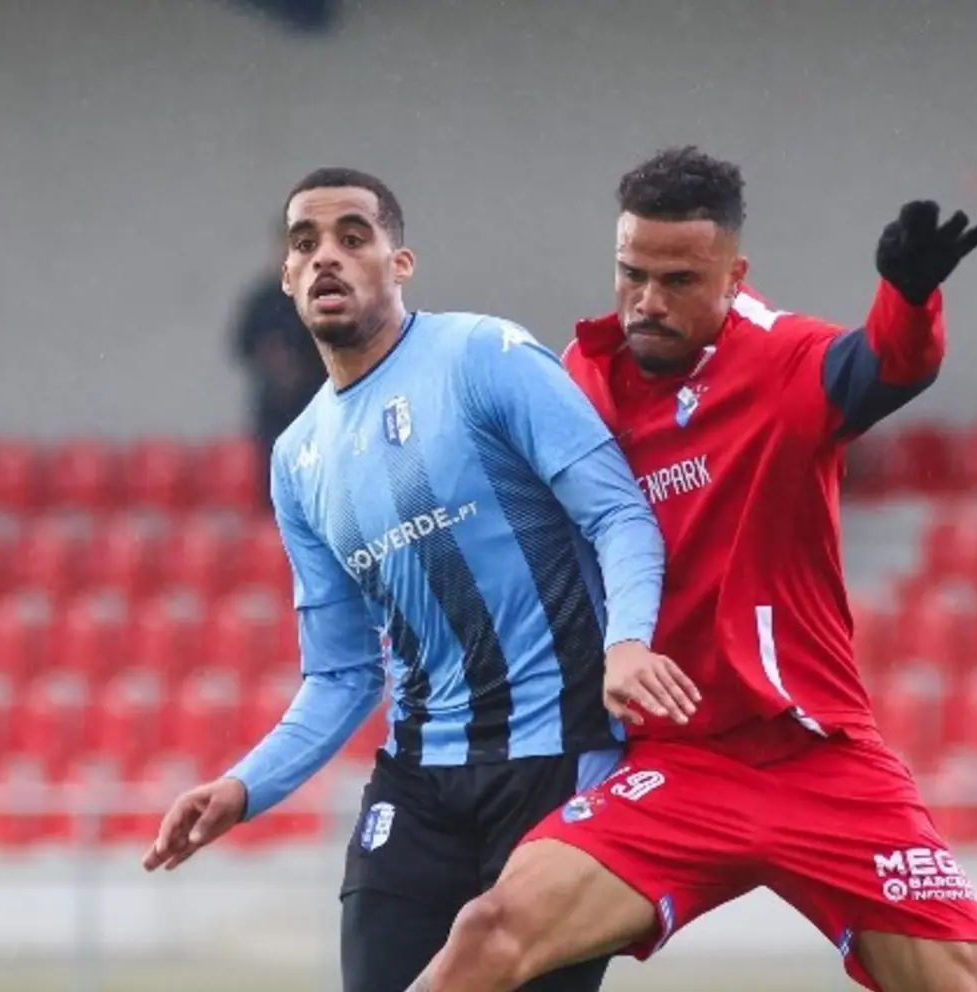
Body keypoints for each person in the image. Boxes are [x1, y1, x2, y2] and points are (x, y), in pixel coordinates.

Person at [407, 147, 977, 992]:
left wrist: (908, 300)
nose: (648, 301)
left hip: (818, 756)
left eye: (679, 280)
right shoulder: (581, 382)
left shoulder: (785, 361)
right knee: (491, 930)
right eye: (632, 273)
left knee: (970, 985)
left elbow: (884, 365)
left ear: (734, 274)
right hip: (681, 767)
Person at [142, 167, 678, 992]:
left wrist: (629, 643)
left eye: (354, 238)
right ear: (286, 278)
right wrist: (245, 786)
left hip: (553, 762)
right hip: (418, 782)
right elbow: (343, 673)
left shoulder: (485, 357)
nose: (328, 257)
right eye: (305, 243)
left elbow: (620, 517)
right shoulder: (298, 459)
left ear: (400, 263)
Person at [230, 221, 327, 508]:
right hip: (275, 413)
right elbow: (241, 345)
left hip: (317, 410)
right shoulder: (262, 300)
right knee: (275, 486)